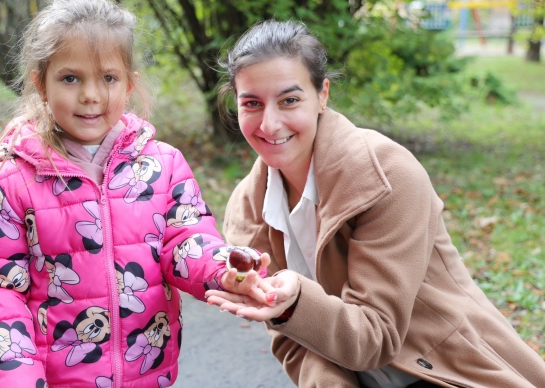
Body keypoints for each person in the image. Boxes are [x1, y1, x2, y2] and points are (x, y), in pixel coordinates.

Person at [205, 20, 545, 388]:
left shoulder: (386, 175)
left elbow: (375, 337)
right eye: (252, 104)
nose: (269, 125)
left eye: (289, 100)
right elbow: (294, 342)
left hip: (453, 373)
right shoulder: (247, 209)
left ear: (322, 95)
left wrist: (294, 302)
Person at [0, 0, 269, 388]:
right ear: (41, 84)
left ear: (129, 85)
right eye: (71, 78)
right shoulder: (10, 181)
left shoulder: (162, 165)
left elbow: (187, 240)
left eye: (107, 78)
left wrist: (224, 268)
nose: (90, 95)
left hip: (147, 375)